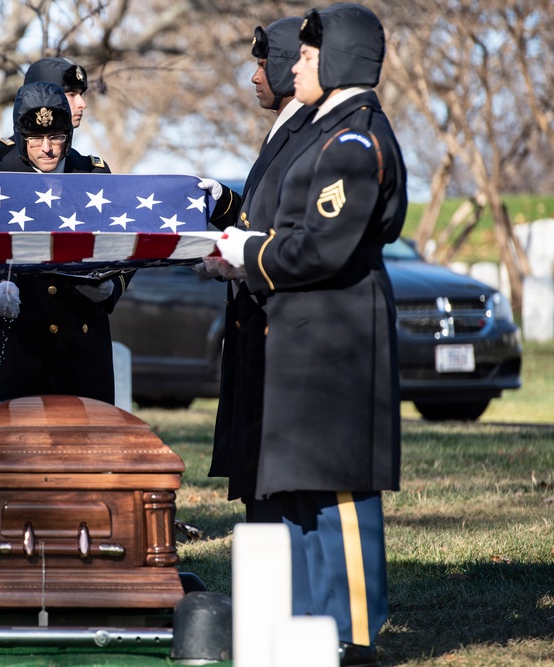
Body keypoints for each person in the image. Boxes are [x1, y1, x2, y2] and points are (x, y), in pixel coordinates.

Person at [213, 4, 406, 666]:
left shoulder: (354, 141)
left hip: (338, 344)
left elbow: (324, 245)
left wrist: (248, 254)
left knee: (341, 494)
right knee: (299, 489)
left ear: (341, 57)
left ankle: (352, 632)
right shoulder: (322, 133)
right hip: (301, 340)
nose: (294, 62)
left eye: (308, 54)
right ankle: (302, 626)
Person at [205, 16, 312, 522]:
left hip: (275, 328)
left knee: (274, 492)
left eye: (264, 65)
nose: (254, 77)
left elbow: (285, 228)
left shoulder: (302, 132)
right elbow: (259, 212)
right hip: (255, 325)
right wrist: (225, 203)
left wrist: (236, 259)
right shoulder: (282, 129)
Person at [0, 81, 126, 404]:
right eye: (35, 138)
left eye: (56, 137)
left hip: (83, 339)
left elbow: (124, 240)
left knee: (85, 441)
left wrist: (113, 286)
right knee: (24, 445)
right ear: (20, 135)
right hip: (24, 339)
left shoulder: (94, 174)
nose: (47, 148)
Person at [0, 57, 90, 169]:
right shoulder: (4, 153)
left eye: (81, 94)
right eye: (71, 94)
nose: (82, 104)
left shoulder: (83, 164)